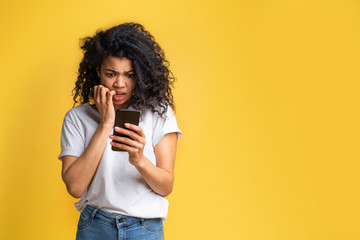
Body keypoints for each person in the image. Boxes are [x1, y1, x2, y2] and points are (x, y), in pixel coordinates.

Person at [58, 22, 182, 240]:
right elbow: (75, 187)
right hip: (96, 225)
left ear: (141, 75)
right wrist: (106, 124)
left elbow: (166, 186)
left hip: (145, 228)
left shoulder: (158, 113)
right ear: (98, 71)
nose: (120, 84)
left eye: (130, 74)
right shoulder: (77, 118)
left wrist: (139, 160)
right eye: (111, 73)